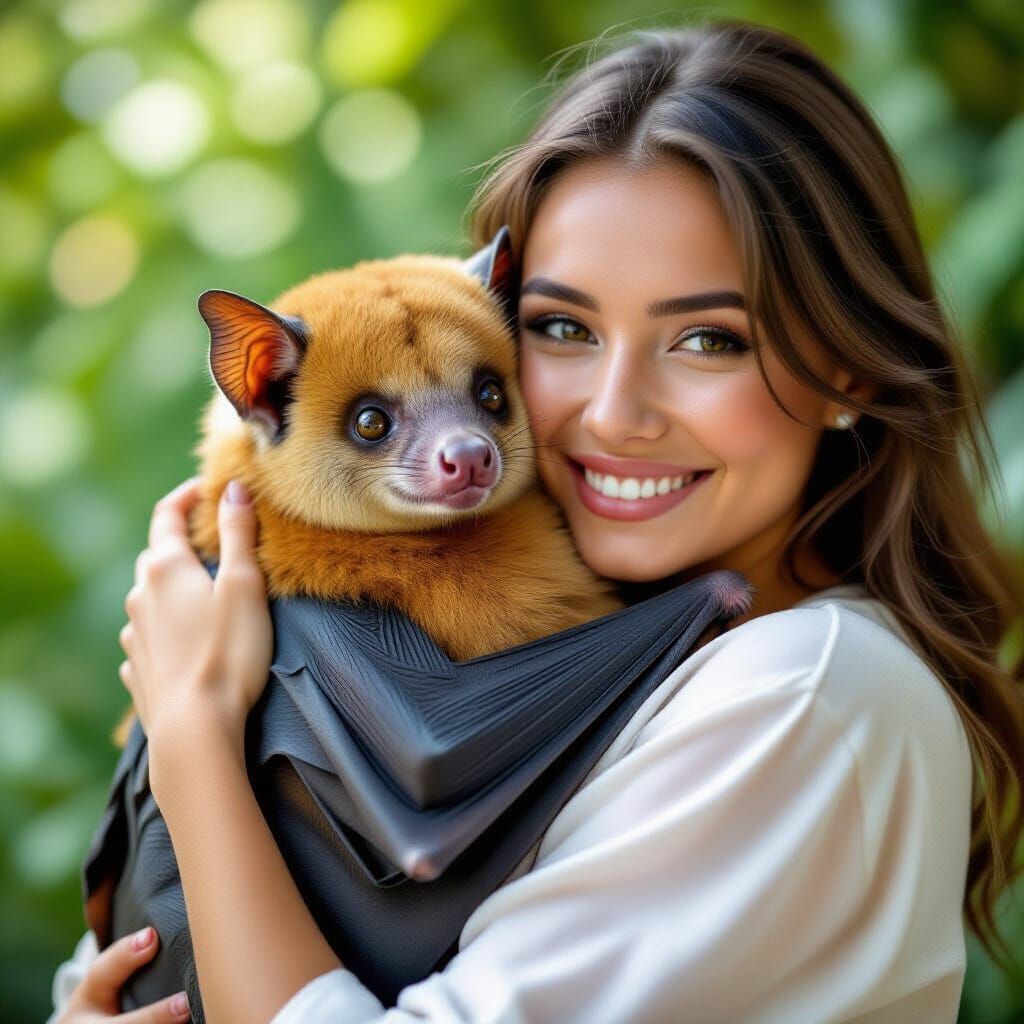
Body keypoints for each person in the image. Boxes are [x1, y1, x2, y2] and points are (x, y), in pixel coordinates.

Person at [49, 19, 1024, 1024]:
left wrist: (197, 741)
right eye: (562, 327)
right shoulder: (487, 646)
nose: (611, 411)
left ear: (847, 371)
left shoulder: (809, 690)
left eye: (706, 338)